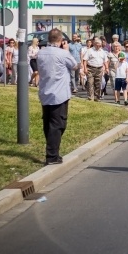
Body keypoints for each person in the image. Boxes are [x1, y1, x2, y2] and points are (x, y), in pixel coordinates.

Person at [36, 29, 78, 166]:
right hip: (59, 94)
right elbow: (75, 65)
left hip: (45, 92)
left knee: (48, 123)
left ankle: (52, 152)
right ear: (60, 40)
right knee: (58, 124)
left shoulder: (41, 52)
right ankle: (52, 156)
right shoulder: (63, 53)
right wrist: (66, 49)